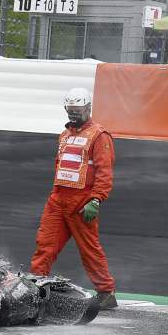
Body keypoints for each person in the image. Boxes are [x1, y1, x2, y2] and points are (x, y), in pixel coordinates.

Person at [30, 88, 118, 310]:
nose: (73, 116)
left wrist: (96, 199)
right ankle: (35, 286)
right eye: (70, 112)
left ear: (88, 108)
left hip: (82, 201)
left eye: (77, 112)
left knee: (89, 248)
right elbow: (59, 166)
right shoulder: (65, 134)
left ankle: (106, 293)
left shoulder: (100, 135)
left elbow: (104, 172)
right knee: (45, 243)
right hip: (58, 198)